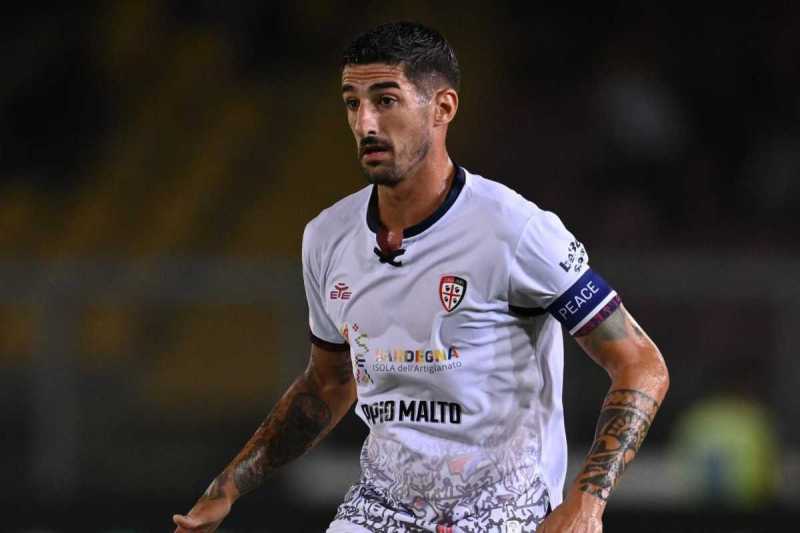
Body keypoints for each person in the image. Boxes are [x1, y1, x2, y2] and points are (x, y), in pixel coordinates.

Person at [173, 21, 669, 533]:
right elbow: (330, 382)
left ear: (443, 108)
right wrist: (226, 488)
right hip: (381, 511)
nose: (365, 122)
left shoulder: (516, 231)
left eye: (385, 100)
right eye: (352, 103)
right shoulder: (327, 237)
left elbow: (641, 364)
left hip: (504, 513)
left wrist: (587, 502)